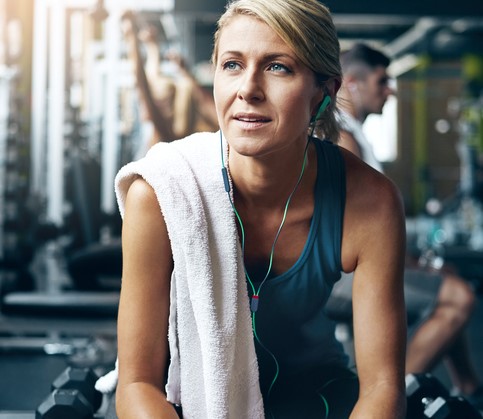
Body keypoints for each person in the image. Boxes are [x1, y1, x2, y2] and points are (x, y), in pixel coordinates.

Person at [111, 2, 407, 418]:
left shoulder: (371, 202)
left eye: (278, 67)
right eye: (232, 64)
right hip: (188, 403)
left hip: (317, 398)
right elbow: (138, 382)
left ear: (325, 91)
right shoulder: (161, 194)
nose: (247, 88)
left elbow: (382, 386)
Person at [334, 42, 483, 408]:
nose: (391, 89)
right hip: (337, 276)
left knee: (446, 275)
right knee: (458, 296)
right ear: (351, 83)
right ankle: (388, 400)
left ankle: (469, 387)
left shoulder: (356, 134)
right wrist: (414, 264)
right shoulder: (343, 138)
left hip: (356, 264)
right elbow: (357, 234)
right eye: (383, 81)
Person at [120, 11, 218, 154]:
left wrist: (139, 41)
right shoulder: (172, 132)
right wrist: (138, 40)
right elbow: (144, 83)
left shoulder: (169, 130)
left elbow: (145, 84)